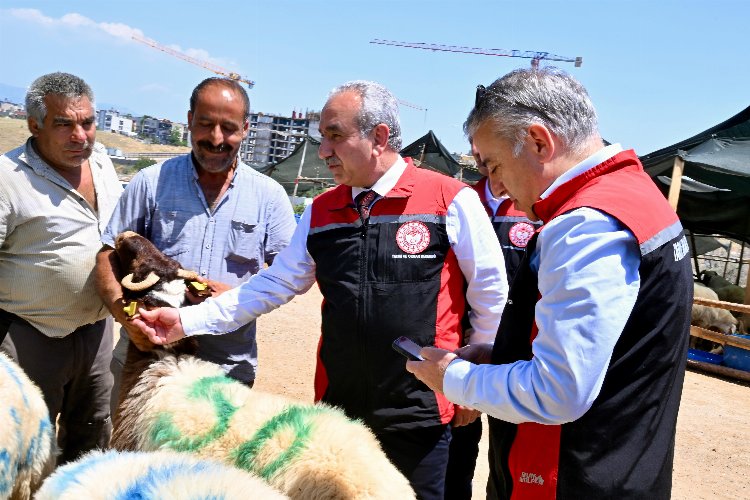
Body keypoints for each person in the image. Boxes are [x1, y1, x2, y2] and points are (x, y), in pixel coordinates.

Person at [129, 80, 509, 499]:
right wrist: (184, 321)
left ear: (379, 137)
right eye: (321, 137)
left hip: (419, 412)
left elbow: (490, 292)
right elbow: (271, 285)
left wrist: (473, 383)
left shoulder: (449, 199)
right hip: (337, 420)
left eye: (335, 136)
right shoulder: (322, 210)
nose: (323, 150)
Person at [407, 67, 693, 499]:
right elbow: (616, 347)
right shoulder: (633, 194)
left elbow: (559, 391)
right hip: (621, 469)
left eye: (496, 165)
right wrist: (504, 353)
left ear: (540, 142)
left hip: (566, 477)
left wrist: (453, 378)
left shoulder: (586, 226)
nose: (496, 187)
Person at [94, 77, 296, 410]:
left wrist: (237, 297)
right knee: (134, 458)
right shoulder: (150, 183)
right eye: (206, 124)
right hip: (149, 363)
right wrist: (125, 315)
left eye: (229, 128)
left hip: (226, 369)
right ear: (189, 121)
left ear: (246, 129)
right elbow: (107, 256)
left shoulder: (269, 197)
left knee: (214, 460)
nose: (216, 138)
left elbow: (290, 274)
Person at [0, 72, 123, 464]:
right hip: (28, 336)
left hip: (96, 332)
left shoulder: (102, 162)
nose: (80, 136)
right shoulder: (6, 178)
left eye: (87, 123)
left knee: (92, 437)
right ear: (34, 125)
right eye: (64, 124)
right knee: (24, 444)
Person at [444, 145, 542, 500]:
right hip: (466, 350)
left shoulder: (536, 205)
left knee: (509, 454)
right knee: (458, 450)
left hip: (519, 358)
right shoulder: (460, 201)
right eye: (475, 149)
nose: (481, 156)